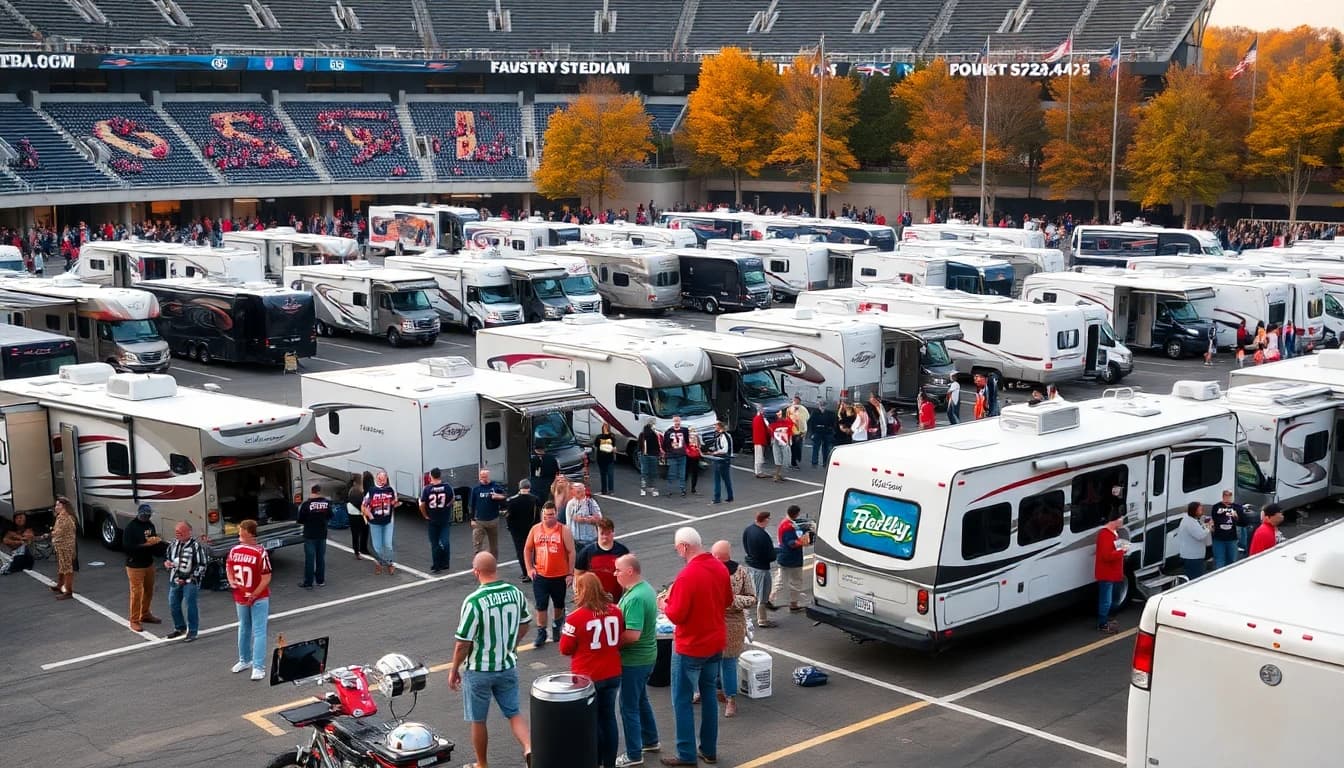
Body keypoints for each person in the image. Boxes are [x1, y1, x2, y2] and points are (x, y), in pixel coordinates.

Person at [449, 552, 532, 768]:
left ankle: (482, 763)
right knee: (513, 713)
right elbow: (525, 623)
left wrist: (454, 669)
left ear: (476, 572)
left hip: (479, 669)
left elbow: (462, 643)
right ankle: (529, 748)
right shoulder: (515, 593)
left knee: (478, 720)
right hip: (507, 665)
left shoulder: (474, 601)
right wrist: (513, 644)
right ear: (496, 569)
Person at [657, 527, 731, 767]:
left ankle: (686, 754)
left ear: (685, 546)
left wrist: (663, 605)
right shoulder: (720, 567)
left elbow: (676, 615)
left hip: (690, 646)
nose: (677, 550)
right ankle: (709, 750)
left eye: (677, 547)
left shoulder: (686, 576)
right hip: (715, 642)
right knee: (709, 695)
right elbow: (728, 600)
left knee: (682, 700)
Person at [560, 572, 625, 768]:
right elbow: (620, 638)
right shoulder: (615, 611)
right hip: (612, 671)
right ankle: (610, 763)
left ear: (580, 590)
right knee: (609, 718)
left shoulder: (575, 618)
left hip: (587, 677)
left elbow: (565, 648)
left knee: (592, 722)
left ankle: (594, 761)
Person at [614, 554, 660, 767]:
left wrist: (613, 646)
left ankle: (633, 754)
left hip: (634, 661)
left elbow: (632, 634)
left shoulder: (634, 598)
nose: (615, 574)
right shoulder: (646, 589)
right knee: (641, 700)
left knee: (628, 706)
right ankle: (650, 740)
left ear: (630, 571)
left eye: (618, 570)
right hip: (647, 657)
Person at [711, 540, 756, 719]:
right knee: (710, 660)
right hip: (711, 622)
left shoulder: (741, 572)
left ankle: (730, 699)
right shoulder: (707, 572)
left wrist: (731, 601)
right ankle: (716, 690)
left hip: (733, 623)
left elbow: (752, 598)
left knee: (728, 662)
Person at [524, 502, 576, 647]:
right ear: (542, 515)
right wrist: (529, 569)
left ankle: (556, 624)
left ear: (556, 514)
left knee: (559, 604)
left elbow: (571, 552)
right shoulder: (535, 529)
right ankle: (541, 632)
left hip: (559, 575)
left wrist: (570, 573)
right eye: (546, 516)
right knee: (541, 605)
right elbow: (527, 549)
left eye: (551, 515)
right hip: (540, 575)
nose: (548, 518)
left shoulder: (563, 530)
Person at [227, 519, 273, 681]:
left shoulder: (238, 550)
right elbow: (266, 577)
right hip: (251, 595)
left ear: (250, 534)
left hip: (250, 595)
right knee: (249, 629)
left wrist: (233, 582)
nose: (240, 533)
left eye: (242, 531)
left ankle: (256, 665)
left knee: (252, 630)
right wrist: (233, 581)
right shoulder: (258, 552)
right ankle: (246, 661)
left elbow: (229, 568)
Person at [123, 503, 164, 632]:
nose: (146, 517)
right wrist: (145, 546)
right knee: (137, 593)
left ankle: (145, 613)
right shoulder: (131, 527)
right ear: (139, 514)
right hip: (135, 565)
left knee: (149, 590)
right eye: (145, 515)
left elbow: (154, 543)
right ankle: (134, 620)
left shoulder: (150, 525)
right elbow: (127, 547)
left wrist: (158, 545)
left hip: (148, 563)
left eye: (148, 515)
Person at [163, 521, 207, 640]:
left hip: (190, 582)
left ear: (189, 532)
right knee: (173, 604)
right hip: (175, 579)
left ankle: (192, 631)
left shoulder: (196, 547)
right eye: (177, 532)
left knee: (190, 606)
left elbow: (202, 565)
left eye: (180, 532)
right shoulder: (173, 544)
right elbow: (167, 558)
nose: (178, 534)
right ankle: (179, 628)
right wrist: (167, 564)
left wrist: (189, 578)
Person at [576, 518, 631, 602]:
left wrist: (626, 598)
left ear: (613, 533)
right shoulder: (586, 552)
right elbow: (578, 575)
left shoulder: (622, 551)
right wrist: (580, 594)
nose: (605, 537)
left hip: (617, 601)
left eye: (608, 533)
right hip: (593, 601)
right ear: (597, 533)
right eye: (602, 533)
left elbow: (629, 576)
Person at [741, 511, 777, 627]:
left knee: (759, 589)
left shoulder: (749, 529)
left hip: (752, 564)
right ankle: (762, 620)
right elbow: (771, 556)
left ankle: (761, 608)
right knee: (762, 593)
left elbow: (745, 544)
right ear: (765, 520)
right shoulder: (763, 536)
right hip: (761, 567)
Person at [772, 505, 811, 612]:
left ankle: (770, 599)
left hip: (784, 556)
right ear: (796, 514)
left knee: (780, 579)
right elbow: (792, 544)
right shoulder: (789, 527)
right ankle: (793, 604)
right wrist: (805, 540)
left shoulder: (785, 523)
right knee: (796, 581)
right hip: (792, 558)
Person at [1094, 510, 1127, 635]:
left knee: (1110, 599)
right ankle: (1102, 623)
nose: (1122, 521)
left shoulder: (1113, 533)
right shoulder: (1105, 535)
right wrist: (1122, 551)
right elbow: (1106, 556)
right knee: (1106, 600)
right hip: (1107, 574)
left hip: (1112, 573)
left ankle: (1106, 620)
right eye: (1121, 519)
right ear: (1115, 520)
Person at [418, 468, 454, 574]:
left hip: (433, 519)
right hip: (444, 519)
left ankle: (437, 565)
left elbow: (422, 504)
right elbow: (452, 499)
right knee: (445, 542)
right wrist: (447, 506)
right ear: (440, 476)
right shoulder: (447, 487)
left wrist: (425, 516)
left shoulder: (427, 489)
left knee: (435, 543)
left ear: (431, 476)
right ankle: (445, 562)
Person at [296, 484, 332, 588]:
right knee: (320, 558)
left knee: (310, 559)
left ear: (312, 492)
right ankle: (320, 581)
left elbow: (300, 520)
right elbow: (330, 516)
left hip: (310, 535)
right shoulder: (326, 503)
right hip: (322, 534)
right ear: (320, 492)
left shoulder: (306, 505)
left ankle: (308, 582)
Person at [362, 471, 397, 575]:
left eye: (384, 479)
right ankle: (380, 562)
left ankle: (390, 563)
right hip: (375, 523)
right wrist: (370, 515)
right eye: (379, 479)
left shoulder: (390, 490)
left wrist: (394, 504)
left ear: (386, 479)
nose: (382, 481)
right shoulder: (372, 491)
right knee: (377, 545)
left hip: (387, 521)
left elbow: (394, 502)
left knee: (388, 544)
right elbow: (364, 506)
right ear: (376, 479)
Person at [505, 479, 540, 581]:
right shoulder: (535, 499)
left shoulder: (512, 500)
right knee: (534, 550)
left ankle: (526, 572)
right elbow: (538, 516)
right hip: (531, 528)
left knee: (521, 551)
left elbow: (508, 516)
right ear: (529, 487)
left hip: (517, 530)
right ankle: (536, 569)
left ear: (519, 487)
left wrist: (510, 527)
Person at [470, 469, 506, 558]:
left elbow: (505, 496)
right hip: (479, 520)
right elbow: (472, 504)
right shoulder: (476, 489)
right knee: (477, 542)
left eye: (485, 477)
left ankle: (493, 561)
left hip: (493, 520)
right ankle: (477, 560)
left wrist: (498, 496)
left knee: (493, 544)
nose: (483, 479)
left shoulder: (495, 486)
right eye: (482, 477)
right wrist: (472, 519)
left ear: (489, 476)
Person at [1177, 501, 1212, 581]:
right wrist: (1209, 527)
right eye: (1200, 510)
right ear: (1194, 511)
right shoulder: (1190, 522)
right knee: (1195, 579)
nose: (1202, 512)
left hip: (1192, 556)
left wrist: (1205, 526)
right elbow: (1200, 535)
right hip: (1193, 557)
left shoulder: (1191, 520)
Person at [51, 496, 77, 600]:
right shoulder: (62, 516)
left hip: (65, 546)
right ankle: (60, 585)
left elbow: (58, 532)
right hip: (62, 546)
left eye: (58, 505)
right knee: (62, 566)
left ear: (64, 506)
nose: (56, 507)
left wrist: (51, 533)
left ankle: (68, 591)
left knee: (67, 568)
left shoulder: (64, 518)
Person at [1208, 490, 1242, 569]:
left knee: (1232, 560)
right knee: (1219, 560)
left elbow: (1240, 521)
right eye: (1226, 496)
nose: (1228, 498)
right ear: (1223, 497)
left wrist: (1236, 516)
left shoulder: (1236, 507)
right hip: (1218, 538)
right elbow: (1214, 518)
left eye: (1229, 496)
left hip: (1232, 538)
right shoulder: (1216, 506)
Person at [566, 482, 603, 551]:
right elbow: (577, 518)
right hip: (576, 541)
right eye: (578, 490)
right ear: (572, 492)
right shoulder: (571, 504)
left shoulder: (591, 502)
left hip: (591, 539)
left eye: (581, 490)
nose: (581, 492)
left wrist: (587, 519)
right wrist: (589, 519)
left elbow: (599, 518)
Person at [663, 415, 691, 497]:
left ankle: (683, 489)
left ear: (680, 421)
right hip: (672, 455)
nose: (677, 423)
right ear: (672, 422)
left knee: (682, 473)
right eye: (675, 421)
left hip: (682, 455)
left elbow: (687, 441)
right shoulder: (668, 432)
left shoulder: (684, 431)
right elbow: (665, 444)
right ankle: (669, 490)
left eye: (678, 421)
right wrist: (668, 451)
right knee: (672, 473)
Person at [708, 421, 734, 505]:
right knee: (723, 479)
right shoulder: (720, 435)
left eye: (716, 425)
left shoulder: (724, 436)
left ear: (719, 426)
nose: (714, 427)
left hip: (723, 459)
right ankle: (728, 497)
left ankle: (719, 497)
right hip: (720, 459)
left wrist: (715, 452)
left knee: (720, 479)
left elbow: (725, 450)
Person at [347, 472, 371, 560]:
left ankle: (361, 549)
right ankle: (358, 551)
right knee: (358, 532)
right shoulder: (355, 491)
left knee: (361, 531)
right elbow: (358, 503)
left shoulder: (353, 489)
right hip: (357, 514)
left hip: (355, 513)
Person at [638, 420, 662, 496]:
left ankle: (643, 489)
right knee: (653, 473)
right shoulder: (654, 434)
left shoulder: (642, 435)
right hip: (653, 455)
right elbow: (657, 445)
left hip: (644, 455)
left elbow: (639, 445)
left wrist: (640, 452)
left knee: (644, 473)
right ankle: (653, 489)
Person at [768, 409, 793, 482]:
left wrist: (789, 441)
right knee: (779, 458)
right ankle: (777, 475)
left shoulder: (786, 422)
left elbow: (790, 431)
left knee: (782, 459)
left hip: (782, 441)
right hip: (779, 441)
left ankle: (778, 474)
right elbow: (771, 431)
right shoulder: (777, 422)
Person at [593, 423, 618, 495]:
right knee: (603, 474)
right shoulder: (599, 437)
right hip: (601, 458)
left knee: (610, 474)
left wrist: (614, 452)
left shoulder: (612, 436)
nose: (605, 429)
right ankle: (604, 490)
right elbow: (596, 445)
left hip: (609, 458)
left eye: (606, 428)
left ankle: (610, 490)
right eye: (604, 427)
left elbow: (614, 447)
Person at [786, 395, 809, 469]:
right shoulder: (789, 409)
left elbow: (806, 418)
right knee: (793, 447)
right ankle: (793, 462)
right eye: (794, 401)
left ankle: (796, 458)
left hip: (799, 432)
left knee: (798, 447)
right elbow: (787, 418)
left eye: (797, 401)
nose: (795, 402)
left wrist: (804, 430)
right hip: (792, 431)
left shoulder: (803, 410)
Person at [810, 400, 835, 466]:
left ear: (825, 406)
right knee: (816, 447)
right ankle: (814, 462)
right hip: (817, 432)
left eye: (823, 405)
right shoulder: (815, 412)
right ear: (819, 406)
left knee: (826, 448)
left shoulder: (830, 413)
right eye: (821, 405)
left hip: (826, 432)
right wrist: (812, 433)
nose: (822, 407)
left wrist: (830, 429)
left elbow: (832, 423)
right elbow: (812, 423)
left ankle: (825, 462)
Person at [751, 405, 769, 477]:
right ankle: (758, 472)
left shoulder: (756, 418)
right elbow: (766, 429)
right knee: (759, 456)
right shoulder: (760, 418)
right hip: (760, 439)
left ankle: (759, 471)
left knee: (759, 455)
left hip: (758, 439)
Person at [684, 427, 703, 495]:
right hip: (695, 456)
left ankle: (684, 488)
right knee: (694, 473)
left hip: (688, 455)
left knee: (686, 471)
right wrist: (701, 453)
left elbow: (684, 446)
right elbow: (699, 446)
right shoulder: (697, 436)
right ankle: (693, 488)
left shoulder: (686, 436)